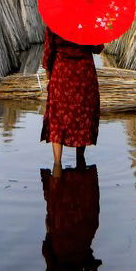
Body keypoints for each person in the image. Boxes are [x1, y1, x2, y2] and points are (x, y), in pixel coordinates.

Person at [39, 27, 103, 168]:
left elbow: (49, 51)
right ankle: (80, 158)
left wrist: (48, 71)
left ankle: (57, 163)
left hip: (62, 75)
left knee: (58, 118)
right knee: (82, 117)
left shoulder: (55, 21)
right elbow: (98, 48)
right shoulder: (88, 20)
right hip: (84, 76)